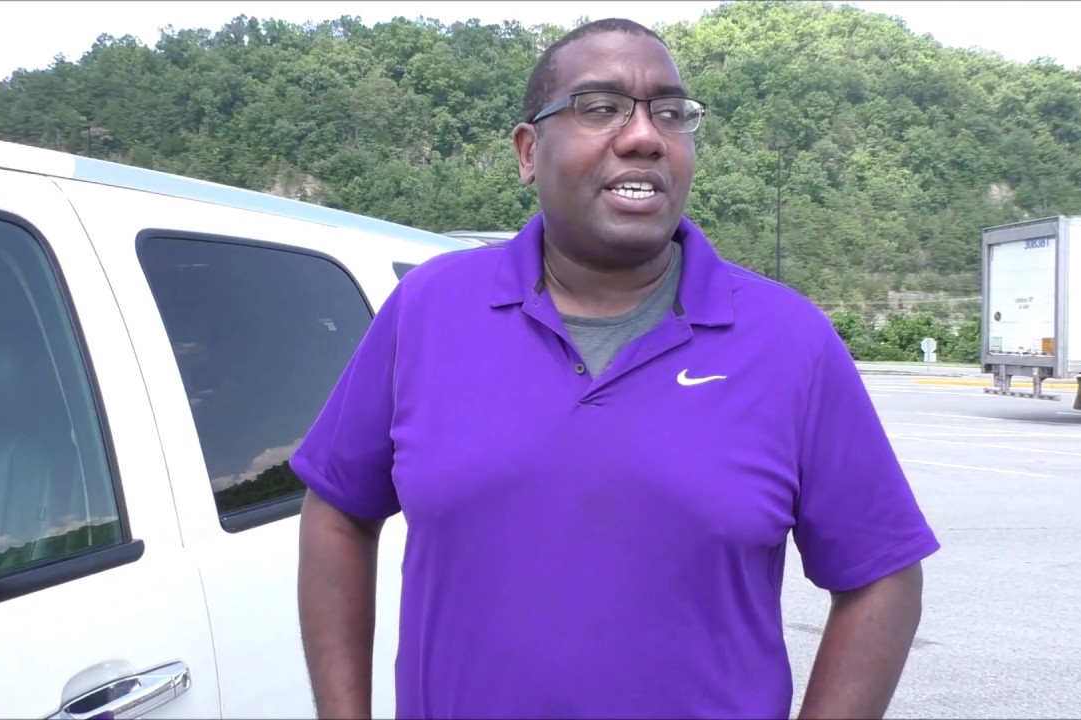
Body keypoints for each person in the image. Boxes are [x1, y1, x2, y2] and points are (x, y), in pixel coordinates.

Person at [291, 17, 940, 720]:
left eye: (671, 112)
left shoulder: (789, 340)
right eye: (600, 107)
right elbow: (338, 510)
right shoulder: (429, 309)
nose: (644, 136)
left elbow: (882, 576)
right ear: (528, 151)